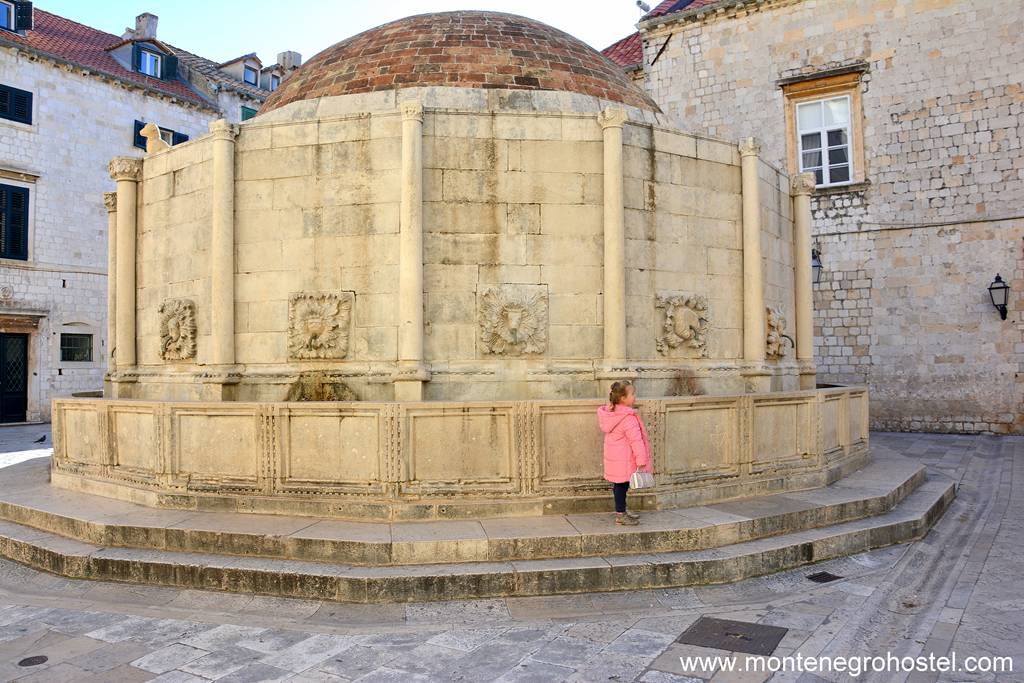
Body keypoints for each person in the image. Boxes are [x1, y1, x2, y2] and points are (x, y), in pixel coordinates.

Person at [597, 380, 652, 525]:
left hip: (617, 458)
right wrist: (642, 460)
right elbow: (636, 441)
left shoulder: (612, 414)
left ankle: (622, 510)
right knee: (622, 486)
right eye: (632, 394)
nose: (635, 397)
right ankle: (621, 514)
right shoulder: (628, 419)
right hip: (625, 459)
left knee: (620, 486)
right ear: (622, 398)